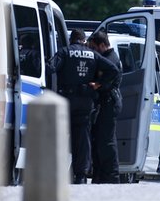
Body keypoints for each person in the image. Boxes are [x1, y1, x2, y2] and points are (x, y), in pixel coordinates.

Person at [49, 29, 119, 184]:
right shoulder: (93, 54)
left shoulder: (65, 52)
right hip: (85, 102)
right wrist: (99, 83)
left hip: (66, 100)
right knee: (82, 139)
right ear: (83, 39)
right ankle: (81, 176)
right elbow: (113, 70)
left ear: (71, 39)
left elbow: (50, 67)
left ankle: (57, 173)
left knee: (61, 137)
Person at [87, 31, 123, 184]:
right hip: (105, 102)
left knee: (106, 142)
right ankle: (100, 176)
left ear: (102, 45)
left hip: (109, 102)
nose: (93, 51)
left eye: (94, 48)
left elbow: (110, 75)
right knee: (99, 141)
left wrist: (98, 83)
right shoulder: (106, 57)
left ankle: (112, 178)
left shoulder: (111, 59)